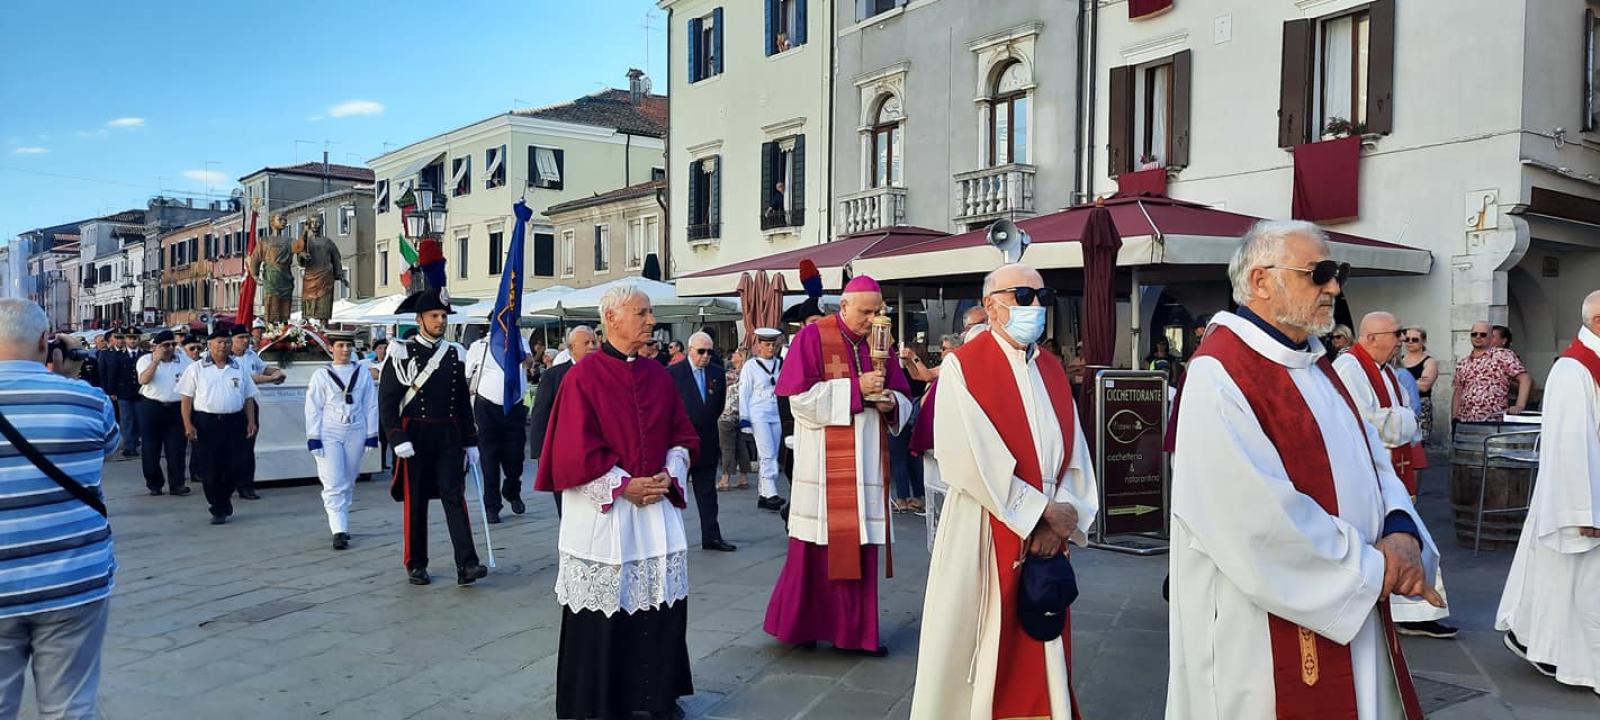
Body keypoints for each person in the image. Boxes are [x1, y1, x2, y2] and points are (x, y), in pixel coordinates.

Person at [1168, 220, 1441, 718]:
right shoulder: (1220, 372)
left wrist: (1401, 530)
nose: (1334, 287)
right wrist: (1375, 567)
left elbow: (1374, 460)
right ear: (1261, 281)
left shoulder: (1316, 366)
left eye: (1338, 273)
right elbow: (1254, 518)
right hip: (1261, 627)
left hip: (1356, 596)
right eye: (1319, 273)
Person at [912, 263, 1098, 720]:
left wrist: (1068, 515)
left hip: (1047, 531)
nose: (1035, 306)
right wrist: (1038, 515)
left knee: (1044, 641)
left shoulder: (1051, 369)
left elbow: (1075, 453)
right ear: (992, 307)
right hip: (982, 526)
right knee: (975, 645)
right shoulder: (963, 367)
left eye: (1042, 295)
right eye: (1023, 296)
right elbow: (967, 455)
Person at [534, 285, 699, 720]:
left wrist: (670, 471)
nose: (650, 320)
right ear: (612, 318)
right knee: (603, 612)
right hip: (604, 518)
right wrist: (623, 486)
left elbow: (682, 436)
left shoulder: (660, 374)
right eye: (641, 313)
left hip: (654, 513)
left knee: (658, 604)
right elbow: (572, 451)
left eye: (650, 313)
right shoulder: (582, 377)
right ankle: (598, 703)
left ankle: (655, 696)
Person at [765, 275, 914, 656]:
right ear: (844, 306)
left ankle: (855, 634)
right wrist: (855, 389)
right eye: (866, 311)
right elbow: (797, 399)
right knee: (814, 550)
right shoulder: (813, 338)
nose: (873, 319)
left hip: (865, 463)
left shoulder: (883, 342)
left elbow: (903, 395)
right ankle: (803, 627)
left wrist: (891, 403)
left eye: (878, 310)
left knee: (860, 547)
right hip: (822, 465)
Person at [0, 299, 120, 720]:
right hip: (74, 578)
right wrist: (67, 376)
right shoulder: (89, 400)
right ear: (44, 341)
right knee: (70, 706)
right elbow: (110, 445)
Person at [1494, 289, 1600, 692]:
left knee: (1563, 585)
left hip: (1588, 493)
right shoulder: (1573, 370)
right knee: (1577, 585)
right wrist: (1583, 512)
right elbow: (1572, 444)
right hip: (1579, 497)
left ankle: (1541, 644)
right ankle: (1572, 660)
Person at [1334, 312, 1457, 640]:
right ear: (1371, 337)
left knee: (1414, 541)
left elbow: (1406, 412)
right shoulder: (1348, 369)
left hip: (1392, 469)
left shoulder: (1387, 372)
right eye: (1397, 333)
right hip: (1367, 471)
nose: (1402, 339)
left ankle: (1414, 609)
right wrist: (1404, 421)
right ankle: (1402, 608)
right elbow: (1356, 422)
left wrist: (1403, 420)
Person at [379, 288, 488, 587]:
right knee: (416, 500)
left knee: (455, 496)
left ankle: (467, 563)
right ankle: (416, 562)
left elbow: (462, 402)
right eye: (434, 316)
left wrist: (470, 439)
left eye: (443, 316)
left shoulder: (453, 353)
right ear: (420, 319)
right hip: (415, 434)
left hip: (449, 435)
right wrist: (396, 436)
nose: (440, 321)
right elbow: (387, 401)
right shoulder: (401, 352)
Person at [178, 326, 260, 525]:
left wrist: (251, 421)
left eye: (227, 342)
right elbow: (186, 399)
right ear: (209, 345)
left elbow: (248, 396)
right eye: (219, 343)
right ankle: (218, 506)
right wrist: (188, 425)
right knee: (210, 469)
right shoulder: (196, 368)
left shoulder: (238, 367)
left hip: (234, 421)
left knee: (236, 465)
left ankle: (224, 498)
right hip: (207, 422)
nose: (223, 346)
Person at [305, 331, 378, 551]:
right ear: (331, 348)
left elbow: (370, 404)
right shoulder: (321, 375)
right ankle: (338, 530)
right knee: (333, 480)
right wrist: (314, 437)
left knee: (348, 479)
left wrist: (372, 434)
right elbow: (313, 407)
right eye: (340, 345)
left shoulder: (362, 373)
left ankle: (343, 520)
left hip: (356, 429)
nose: (345, 350)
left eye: (348, 346)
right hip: (330, 431)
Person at [670, 332, 736, 552]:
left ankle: (712, 536)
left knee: (707, 493)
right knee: (673, 492)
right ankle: (669, 539)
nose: (706, 356)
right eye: (701, 351)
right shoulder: (673, 373)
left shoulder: (716, 373)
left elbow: (717, 407)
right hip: (679, 443)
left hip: (706, 440)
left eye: (710, 351)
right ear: (690, 350)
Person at [464, 328, 533, 524]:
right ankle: (491, 506)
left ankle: (512, 490)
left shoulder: (519, 340)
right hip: (487, 407)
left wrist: (519, 353)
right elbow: (468, 375)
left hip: (514, 405)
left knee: (515, 457)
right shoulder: (478, 347)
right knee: (489, 458)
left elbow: (529, 362)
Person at [529, 325, 596, 518]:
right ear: (571, 347)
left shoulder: (604, 371)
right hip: (563, 450)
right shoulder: (554, 376)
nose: (592, 346)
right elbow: (541, 413)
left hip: (595, 448)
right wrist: (540, 451)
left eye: (594, 342)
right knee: (567, 505)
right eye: (586, 343)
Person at [135, 330, 192, 497]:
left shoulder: (183, 361)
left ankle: (177, 484)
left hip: (176, 407)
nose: (170, 348)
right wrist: (155, 361)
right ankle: (154, 483)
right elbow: (143, 380)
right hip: (152, 406)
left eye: (173, 344)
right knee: (151, 447)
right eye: (165, 345)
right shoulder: (145, 360)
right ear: (156, 346)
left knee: (176, 447)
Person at [232, 324, 283, 501]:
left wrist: (276, 371)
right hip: (230, 405)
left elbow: (262, 368)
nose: (245, 341)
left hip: (249, 404)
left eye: (247, 337)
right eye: (241, 338)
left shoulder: (251, 354)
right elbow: (247, 378)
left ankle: (246, 485)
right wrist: (271, 379)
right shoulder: (227, 359)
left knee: (247, 447)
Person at [741, 328, 787, 511]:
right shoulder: (751, 366)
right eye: (767, 344)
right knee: (767, 453)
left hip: (775, 412)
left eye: (773, 345)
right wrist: (744, 418)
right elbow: (744, 393)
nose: (771, 349)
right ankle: (771, 492)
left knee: (771, 454)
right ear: (759, 345)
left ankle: (763, 493)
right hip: (758, 413)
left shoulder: (780, 364)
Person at [1452, 320, 1531, 425]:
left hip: (1493, 421)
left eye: (1483, 334)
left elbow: (1525, 379)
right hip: (1466, 421)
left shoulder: (1503, 355)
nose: (1478, 337)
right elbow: (1458, 391)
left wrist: (1519, 405)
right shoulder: (1463, 363)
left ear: (1490, 337)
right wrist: (1454, 418)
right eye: (1474, 334)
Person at [101, 328, 142, 459]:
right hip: (124, 391)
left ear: (139, 339)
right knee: (126, 419)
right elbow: (113, 374)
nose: (132, 340)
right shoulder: (118, 355)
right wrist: (111, 391)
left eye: (135, 338)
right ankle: (129, 446)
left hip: (140, 392)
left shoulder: (145, 354)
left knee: (138, 419)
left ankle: (135, 442)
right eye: (130, 338)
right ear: (126, 339)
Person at [718, 346, 753, 491]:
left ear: (742, 357)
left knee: (727, 447)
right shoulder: (749, 375)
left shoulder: (730, 376)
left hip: (727, 413)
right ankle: (743, 478)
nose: (733, 355)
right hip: (743, 414)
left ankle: (725, 479)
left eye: (736, 354)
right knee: (741, 446)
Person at [1399, 327, 1439, 441]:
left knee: (1419, 444)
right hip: (1400, 407)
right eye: (1407, 339)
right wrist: (1413, 383)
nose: (1410, 342)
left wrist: (1398, 383)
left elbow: (1424, 386)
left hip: (1421, 408)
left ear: (1423, 341)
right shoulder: (1398, 361)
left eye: (1415, 339)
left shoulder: (1429, 362)